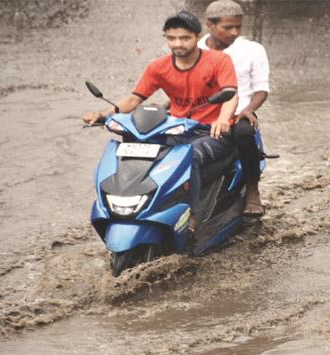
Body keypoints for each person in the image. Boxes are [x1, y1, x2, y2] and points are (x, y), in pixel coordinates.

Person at [82, 11, 238, 233]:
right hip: (176, 128)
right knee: (138, 154)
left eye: (184, 38)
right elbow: (135, 98)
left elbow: (231, 94)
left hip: (211, 132)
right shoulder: (158, 67)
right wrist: (105, 113)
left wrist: (222, 119)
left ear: (198, 36)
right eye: (171, 38)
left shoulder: (218, 60)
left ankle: (192, 216)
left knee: (188, 155)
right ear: (165, 37)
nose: (177, 44)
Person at [200, 0, 271, 217]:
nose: (234, 32)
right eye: (228, 27)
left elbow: (261, 89)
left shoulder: (253, 49)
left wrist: (249, 109)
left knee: (243, 133)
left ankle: (252, 191)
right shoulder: (195, 48)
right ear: (210, 26)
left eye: (238, 27)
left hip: (239, 111)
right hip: (202, 113)